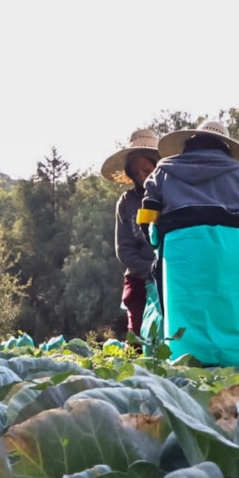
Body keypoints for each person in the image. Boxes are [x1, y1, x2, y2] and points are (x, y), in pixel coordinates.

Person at [137, 119, 239, 371]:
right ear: (224, 147)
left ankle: (189, 363)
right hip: (233, 245)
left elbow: (148, 213)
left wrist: (156, 241)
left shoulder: (164, 171)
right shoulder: (237, 174)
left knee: (187, 308)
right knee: (235, 305)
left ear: (189, 144)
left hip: (182, 245)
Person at [103, 129, 161, 336]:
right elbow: (124, 249)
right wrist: (151, 270)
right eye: (136, 173)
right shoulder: (126, 203)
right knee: (136, 335)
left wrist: (164, 271)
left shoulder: (172, 195)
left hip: (172, 274)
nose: (142, 177)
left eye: (146, 170)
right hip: (139, 277)